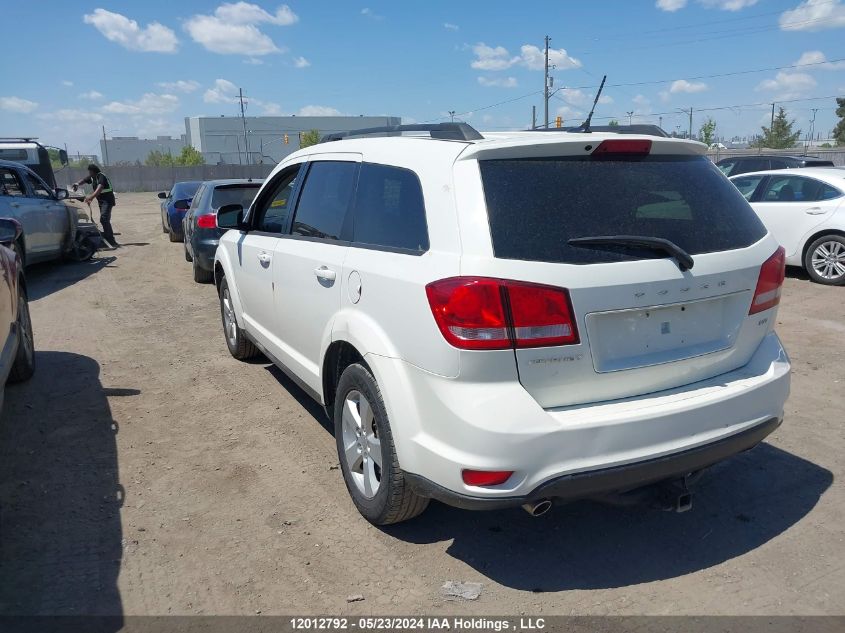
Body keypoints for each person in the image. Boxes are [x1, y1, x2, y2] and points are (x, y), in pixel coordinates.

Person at [72, 164, 118, 248]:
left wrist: (91, 197)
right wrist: (77, 184)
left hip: (107, 201)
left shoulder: (101, 176)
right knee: (104, 220)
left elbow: (100, 188)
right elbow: (84, 180)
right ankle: (108, 239)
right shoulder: (92, 177)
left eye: (90, 172)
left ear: (93, 171)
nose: (89, 174)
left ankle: (111, 240)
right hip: (101, 201)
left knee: (104, 219)